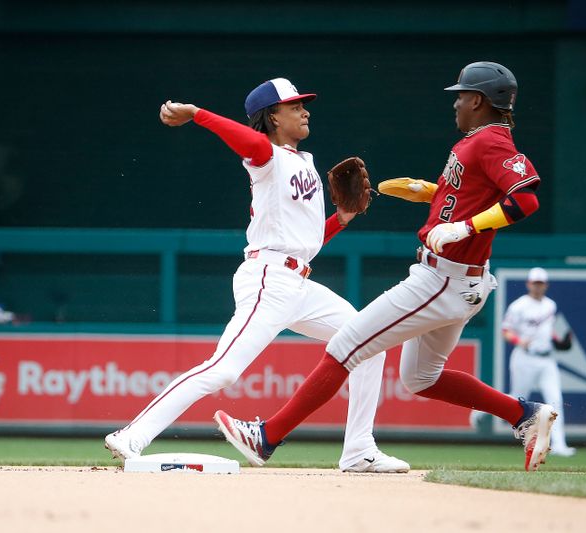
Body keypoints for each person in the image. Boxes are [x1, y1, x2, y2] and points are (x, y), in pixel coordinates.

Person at [215, 61, 559, 472]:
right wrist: (431, 194)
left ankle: (267, 437)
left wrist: (464, 226)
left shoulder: (490, 142)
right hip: (459, 280)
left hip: (441, 279)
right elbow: (471, 194)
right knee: (422, 378)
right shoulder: (476, 141)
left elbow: (525, 200)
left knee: (345, 346)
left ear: (480, 101)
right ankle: (524, 415)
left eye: (462, 96)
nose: (457, 104)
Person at [104, 77, 409, 473]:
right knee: (223, 369)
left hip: (298, 281)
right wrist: (197, 114)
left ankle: (358, 450)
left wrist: (344, 218)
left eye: (304, 104)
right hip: (269, 278)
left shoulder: (304, 163)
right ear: (271, 117)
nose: (305, 110)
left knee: (368, 342)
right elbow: (249, 143)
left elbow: (307, 240)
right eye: (295, 106)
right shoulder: (266, 157)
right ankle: (132, 435)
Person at [499, 266, 576, 456]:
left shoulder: (550, 305)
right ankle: (482, 410)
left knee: (555, 400)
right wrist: (519, 341)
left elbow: (547, 330)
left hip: (547, 359)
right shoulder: (519, 305)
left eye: (541, 283)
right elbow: (506, 331)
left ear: (546, 285)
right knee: (517, 398)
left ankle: (559, 445)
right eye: (535, 283)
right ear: (528, 284)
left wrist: (558, 341)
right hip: (524, 358)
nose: (538, 286)